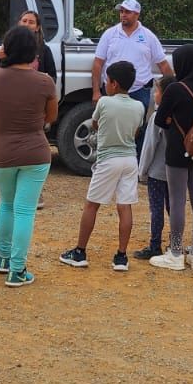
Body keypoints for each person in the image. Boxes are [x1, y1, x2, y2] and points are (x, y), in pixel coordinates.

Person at [0, 26, 58, 287]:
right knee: (25, 210)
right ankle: (17, 270)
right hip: (35, 151)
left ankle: (4, 258)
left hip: (2, 151)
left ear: (6, 49)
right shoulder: (45, 81)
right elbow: (51, 116)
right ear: (33, 51)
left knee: (6, 204)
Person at [60, 61, 145, 272]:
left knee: (92, 205)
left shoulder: (105, 102)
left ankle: (80, 251)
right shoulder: (139, 106)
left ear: (114, 83)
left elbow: (96, 124)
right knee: (125, 206)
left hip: (108, 159)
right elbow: (136, 131)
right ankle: (121, 256)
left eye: (107, 80)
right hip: (129, 159)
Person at [149, 45, 193, 271]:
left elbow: (160, 119)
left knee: (177, 201)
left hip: (177, 149)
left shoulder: (175, 88)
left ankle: (175, 252)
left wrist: (172, 121)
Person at [91, 0, 173, 156]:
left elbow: (163, 65)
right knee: (110, 125)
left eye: (127, 12)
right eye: (121, 11)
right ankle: (110, 156)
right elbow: (97, 63)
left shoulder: (148, 36)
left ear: (137, 14)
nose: (123, 15)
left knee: (138, 129)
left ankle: (136, 161)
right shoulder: (110, 34)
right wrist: (95, 91)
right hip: (113, 89)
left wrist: (172, 90)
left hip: (139, 91)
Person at [134, 75, 175, 260]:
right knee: (174, 208)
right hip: (176, 172)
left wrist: (142, 170)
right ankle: (175, 243)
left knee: (157, 209)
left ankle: (155, 245)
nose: (154, 94)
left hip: (157, 172)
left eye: (157, 91)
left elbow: (149, 146)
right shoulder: (180, 115)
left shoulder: (157, 117)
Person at [0, 10, 56, 80]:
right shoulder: (9, 46)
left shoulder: (44, 50)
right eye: (24, 21)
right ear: (19, 23)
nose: (26, 24)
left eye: (31, 22)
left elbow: (52, 77)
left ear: (37, 28)